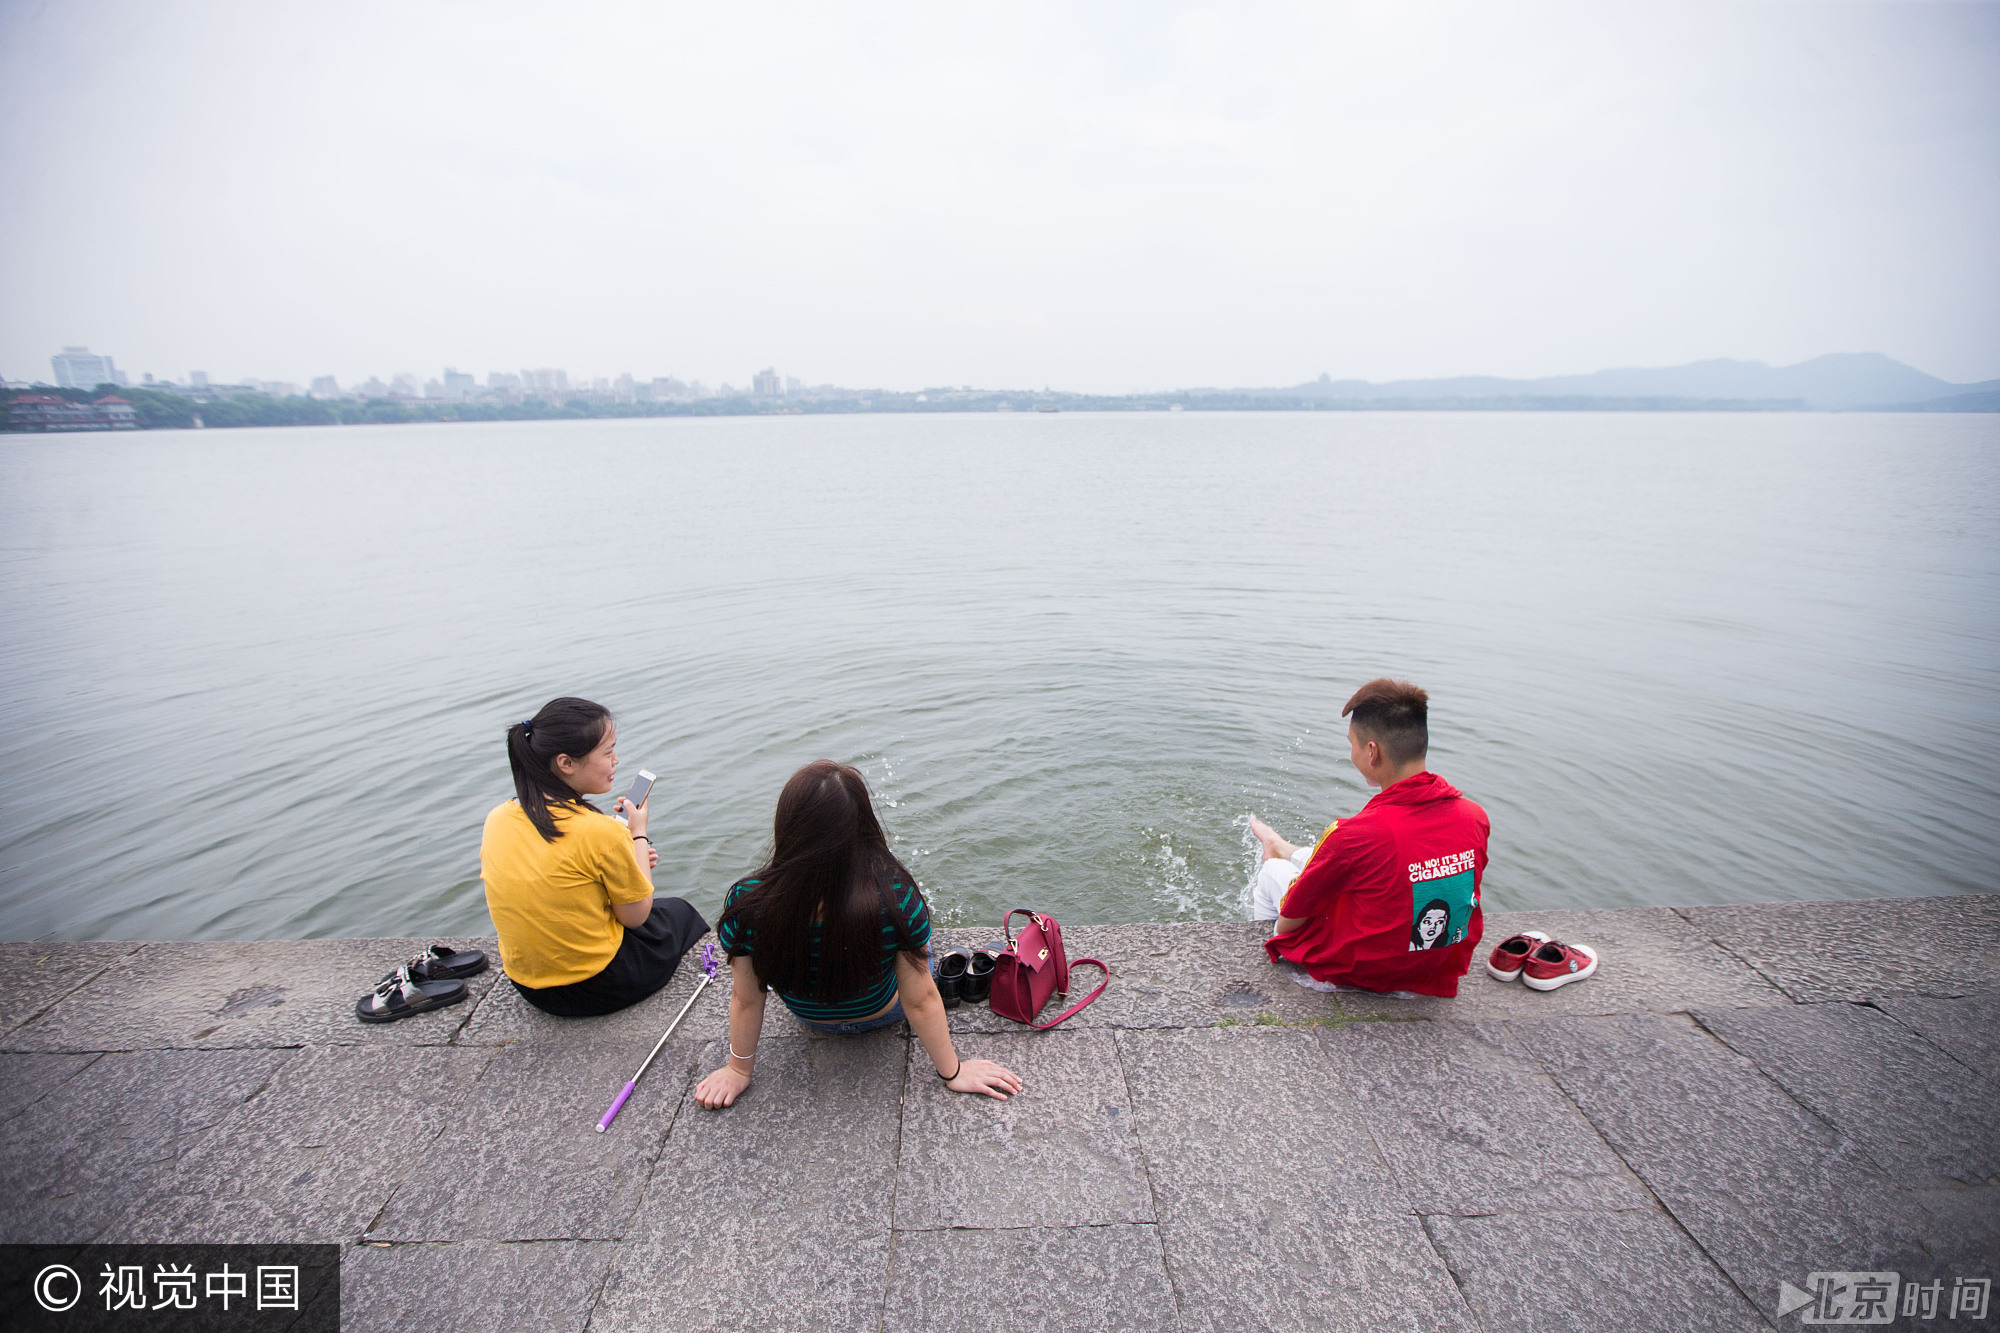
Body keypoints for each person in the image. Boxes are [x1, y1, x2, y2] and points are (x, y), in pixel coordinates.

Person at [694, 760, 1022, 1108]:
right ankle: (975, 965)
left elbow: (747, 999)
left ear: (785, 827)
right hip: (882, 1012)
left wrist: (737, 1071)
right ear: (864, 826)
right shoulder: (894, 895)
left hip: (808, 1016)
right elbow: (920, 1001)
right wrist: (953, 1073)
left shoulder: (746, 903)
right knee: (918, 947)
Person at [1247, 678, 1490, 997]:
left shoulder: (1354, 834)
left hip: (1367, 974)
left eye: (1352, 744)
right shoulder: (1474, 818)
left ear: (1372, 751)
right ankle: (1283, 847)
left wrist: (1281, 934)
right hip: (1433, 970)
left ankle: (1266, 967)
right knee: (1351, 862)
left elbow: (1292, 916)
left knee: (1272, 874)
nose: (1352, 753)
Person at [481, 696, 708, 1017]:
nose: (616, 760)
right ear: (566, 763)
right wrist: (638, 833)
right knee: (679, 913)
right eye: (607, 751)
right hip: (592, 987)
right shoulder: (600, 831)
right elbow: (636, 917)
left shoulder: (498, 817)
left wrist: (630, 854)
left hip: (528, 985)